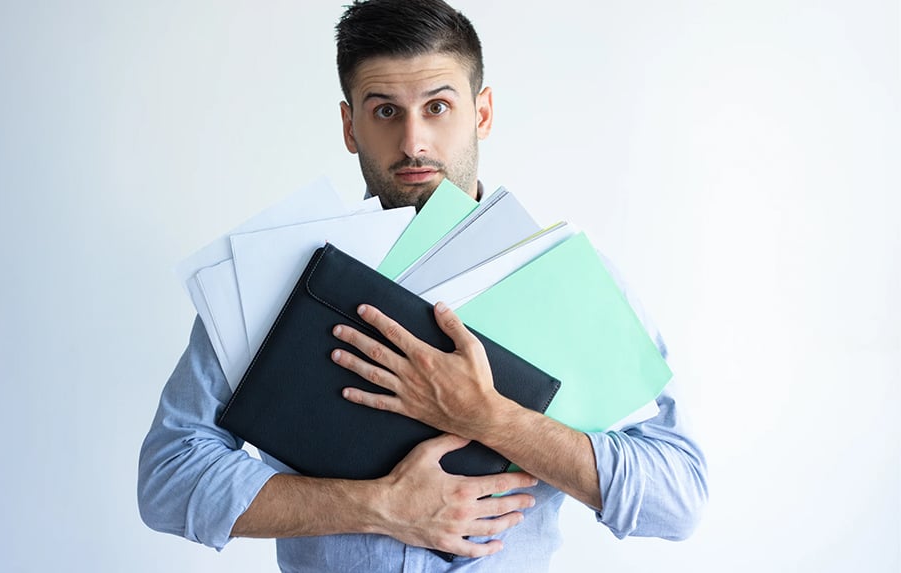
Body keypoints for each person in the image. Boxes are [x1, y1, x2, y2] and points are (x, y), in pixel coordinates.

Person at [138, 1, 708, 571]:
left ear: (482, 113)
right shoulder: (276, 277)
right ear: (348, 126)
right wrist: (378, 507)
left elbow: (676, 495)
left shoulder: (573, 279)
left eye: (437, 107)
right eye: (385, 110)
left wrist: (491, 418)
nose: (414, 142)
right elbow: (170, 477)